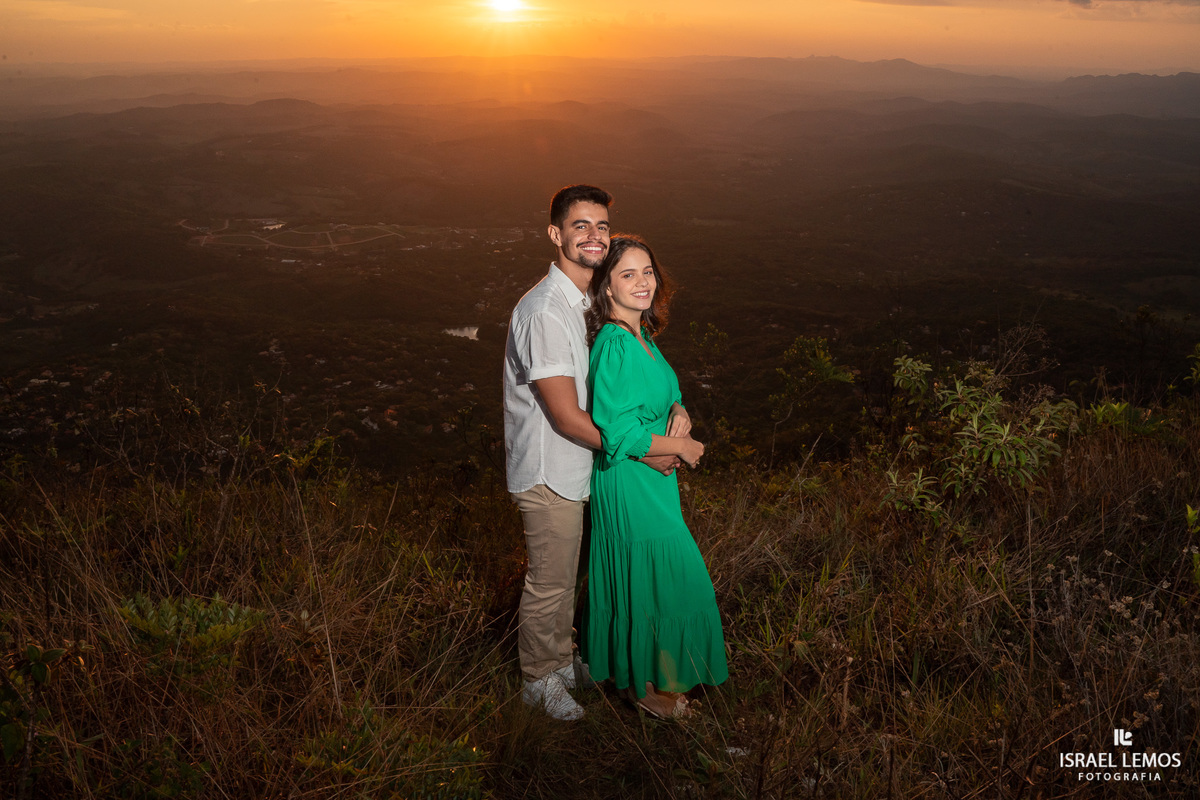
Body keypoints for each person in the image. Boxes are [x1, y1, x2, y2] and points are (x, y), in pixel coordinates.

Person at [503, 186, 678, 721]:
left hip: (579, 467)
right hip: (549, 467)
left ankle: (562, 659)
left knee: (565, 576)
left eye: (601, 226)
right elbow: (565, 416)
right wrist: (644, 450)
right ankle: (539, 679)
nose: (594, 236)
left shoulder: (585, 304)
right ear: (556, 235)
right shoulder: (545, 312)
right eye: (580, 226)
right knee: (550, 580)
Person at [582, 234, 728, 719]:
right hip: (628, 484)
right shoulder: (614, 343)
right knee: (658, 580)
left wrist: (680, 410)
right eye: (628, 274)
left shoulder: (643, 337)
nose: (643, 282)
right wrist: (681, 446)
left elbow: (664, 394)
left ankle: (653, 681)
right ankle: (644, 688)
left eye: (648, 272)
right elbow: (617, 431)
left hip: (655, 485)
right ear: (606, 289)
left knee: (664, 583)